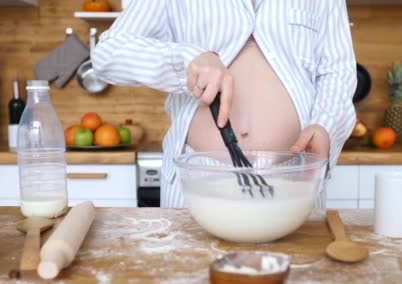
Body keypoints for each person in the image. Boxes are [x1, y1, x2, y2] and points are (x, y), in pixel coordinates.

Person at [93, 0, 357, 208]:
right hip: (197, 183)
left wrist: (326, 124)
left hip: (296, 180)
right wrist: (189, 60)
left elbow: (337, 70)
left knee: (298, 276)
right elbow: (107, 53)